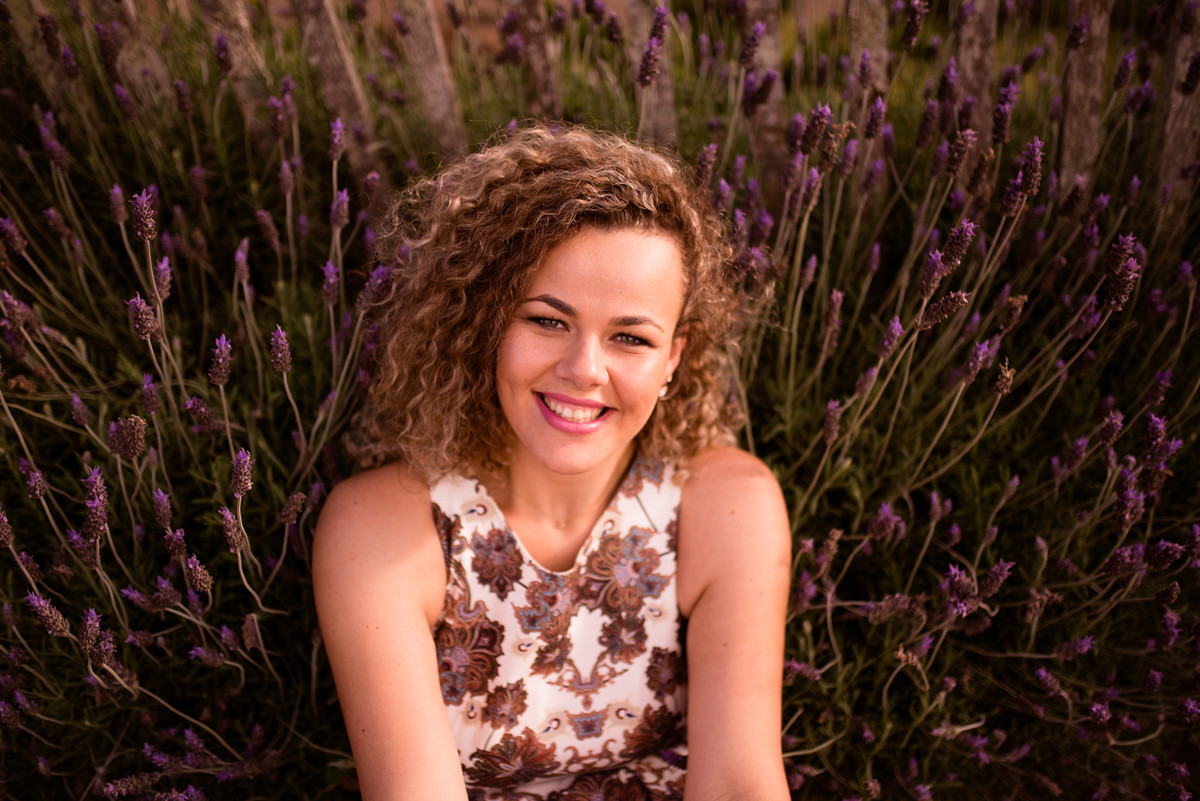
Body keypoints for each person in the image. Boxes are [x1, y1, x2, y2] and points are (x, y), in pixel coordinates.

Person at [313, 125, 790, 800]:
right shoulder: (384, 528)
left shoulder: (726, 505)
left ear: (674, 357)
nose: (583, 369)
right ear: (487, 321)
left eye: (631, 337)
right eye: (547, 320)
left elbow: (740, 785)